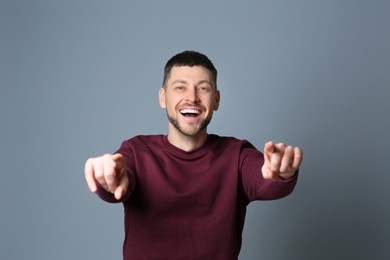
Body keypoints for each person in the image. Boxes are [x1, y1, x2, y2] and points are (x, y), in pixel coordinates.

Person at [84, 50, 303, 260]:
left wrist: (280, 173)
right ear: (163, 97)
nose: (192, 97)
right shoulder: (136, 151)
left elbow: (263, 177)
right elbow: (119, 180)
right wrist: (109, 179)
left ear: (216, 100)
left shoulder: (236, 154)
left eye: (203, 88)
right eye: (180, 87)